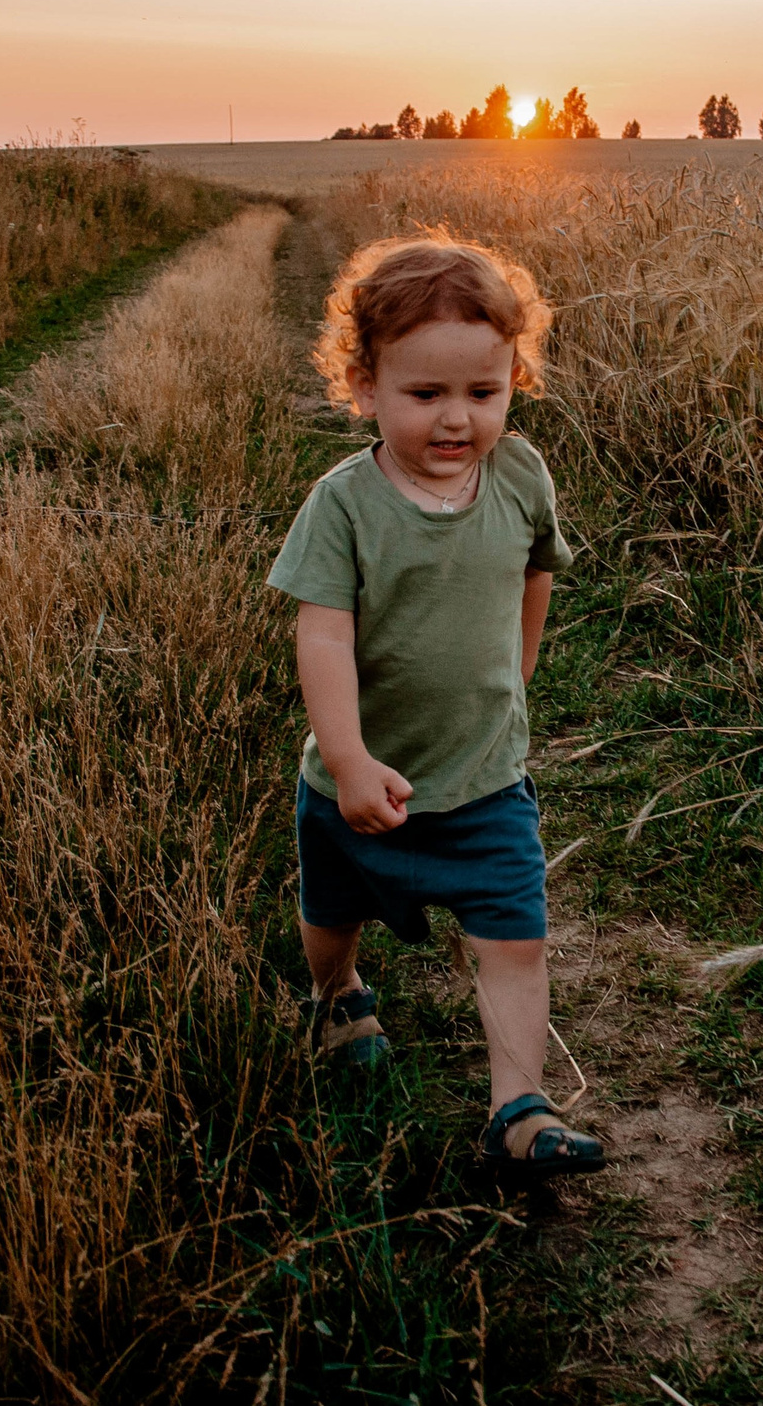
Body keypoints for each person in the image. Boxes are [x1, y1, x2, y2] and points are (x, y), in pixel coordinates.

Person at [265, 233, 605, 1177]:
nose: (457, 418)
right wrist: (347, 760)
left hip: (487, 775)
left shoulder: (521, 476)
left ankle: (519, 1111)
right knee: (332, 911)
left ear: (511, 381)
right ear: (364, 386)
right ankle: (338, 993)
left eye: (483, 393)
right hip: (362, 781)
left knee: (515, 936)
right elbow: (323, 634)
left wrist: (520, 673)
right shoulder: (344, 506)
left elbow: (537, 573)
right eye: (426, 395)